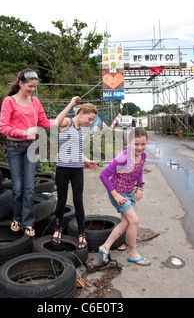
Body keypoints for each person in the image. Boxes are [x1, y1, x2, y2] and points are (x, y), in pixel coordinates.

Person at [0, 69, 79, 237]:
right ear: (21, 83)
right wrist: (23, 132)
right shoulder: (9, 101)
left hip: (30, 147)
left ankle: (28, 223)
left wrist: (70, 105)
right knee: (18, 187)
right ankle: (17, 218)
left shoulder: (35, 102)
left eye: (34, 87)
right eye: (29, 86)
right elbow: (3, 127)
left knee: (29, 187)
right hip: (13, 147)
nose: (32, 90)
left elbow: (47, 123)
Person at [98, 127, 151, 266]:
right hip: (118, 194)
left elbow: (139, 171)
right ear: (129, 142)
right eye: (136, 144)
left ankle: (105, 246)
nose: (140, 148)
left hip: (129, 193)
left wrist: (140, 187)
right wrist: (115, 195)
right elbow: (103, 176)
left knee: (126, 223)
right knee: (134, 221)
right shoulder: (122, 158)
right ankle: (133, 253)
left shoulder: (143, 156)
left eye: (143, 144)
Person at [52, 103, 99, 249]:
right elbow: (56, 123)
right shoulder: (67, 123)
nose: (90, 123)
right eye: (89, 119)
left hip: (77, 169)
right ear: (81, 113)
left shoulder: (80, 131)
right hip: (63, 168)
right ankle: (58, 229)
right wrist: (71, 104)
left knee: (78, 201)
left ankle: (81, 233)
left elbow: (77, 151)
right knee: (62, 200)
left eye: (92, 121)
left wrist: (87, 160)